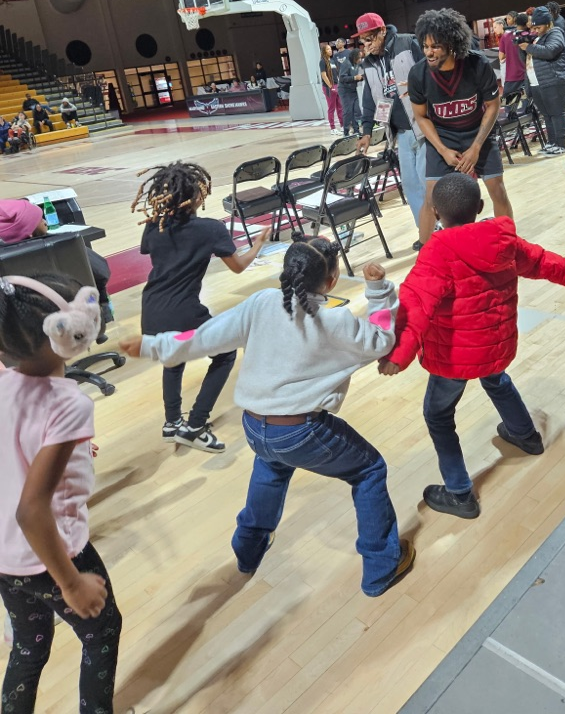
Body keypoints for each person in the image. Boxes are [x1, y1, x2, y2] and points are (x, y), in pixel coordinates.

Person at [120, 240, 415, 597]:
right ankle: (382, 566)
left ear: (286, 272)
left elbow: (203, 337)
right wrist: (379, 290)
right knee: (369, 470)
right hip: (300, 432)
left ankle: (247, 552)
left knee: (272, 466)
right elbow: (382, 339)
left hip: (255, 427)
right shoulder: (334, 319)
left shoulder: (260, 303)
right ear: (332, 281)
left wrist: (152, 345)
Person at [378, 173, 565, 518]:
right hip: (495, 343)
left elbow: (415, 306)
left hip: (454, 354)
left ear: (434, 213)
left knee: (438, 414)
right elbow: (540, 262)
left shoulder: (437, 251)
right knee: (495, 377)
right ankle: (525, 435)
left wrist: (397, 356)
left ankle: (460, 492)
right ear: (480, 207)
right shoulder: (501, 236)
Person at [0, 272, 121, 712]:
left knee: (29, 649)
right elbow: (32, 511)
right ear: (71, 334)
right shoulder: (71, 403)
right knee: (103, 632)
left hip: (5, 559)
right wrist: (71, 584)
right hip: (54, 555)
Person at [132, 161, 270, 453]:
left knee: (173, 358)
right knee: (225, 353)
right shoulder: (210, 229)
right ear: (196, 197)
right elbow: (238, 267)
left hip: (151, 310)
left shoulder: (153, 228)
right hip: (184, 313)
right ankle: (195, 425)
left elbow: (158, 252)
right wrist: (257, 244)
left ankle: (172, 423)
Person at [408, 8, 513, 244]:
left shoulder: (477, 65)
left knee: (497, 189)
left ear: (451, 44)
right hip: (443, 138)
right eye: (425, 46)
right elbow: (421, 117)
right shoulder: (418, 74)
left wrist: (476, 147)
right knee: (430, 199)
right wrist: (443, 150)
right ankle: (426, 259)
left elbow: (493, 106)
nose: (429, 52)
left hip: (478, 133)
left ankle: (510, 244)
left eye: (435, 46)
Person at [356, 12, 426, 249]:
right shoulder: (368, 63)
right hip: (401, 133)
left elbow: (431, 75)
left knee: (429, 183)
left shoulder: (408, 44)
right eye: (363, 42)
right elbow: (369, 100)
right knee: (410, 185)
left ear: (383, 31)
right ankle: (426, 232)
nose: (366, 46)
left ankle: (444, 229)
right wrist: (366, 131)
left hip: (425, 126)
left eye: (370, 39)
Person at [0, 199, 113, 330]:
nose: (45, 221)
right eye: (40, 218)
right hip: (75, 326)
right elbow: (102, 272)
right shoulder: (66, 245)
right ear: (29, 230)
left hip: (18, 334)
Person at [521, 5, 565, 157]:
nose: (536, 30)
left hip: (553, 80)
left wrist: (529, 47)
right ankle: (552, 142)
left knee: (556, 113)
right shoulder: (537, 37)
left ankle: (560, 144)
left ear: (548, 24)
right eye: (534, 27)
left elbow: (550, 51)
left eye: (539, 27)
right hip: (537, 82)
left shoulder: (555, 32)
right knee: (547, 115)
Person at [495, 13, 525, 96]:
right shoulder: (526, 34)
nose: (507, 21)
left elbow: (501, 56)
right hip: (525, 73)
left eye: (509, 19)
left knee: (509, 104)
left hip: (512, 75)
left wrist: (509, 53)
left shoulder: (505, 36)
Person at [338, 46, 364, 136]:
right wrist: (354, 77)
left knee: (356, 110)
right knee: (348, 111)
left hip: (353, 90)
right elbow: (342, 78)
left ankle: (356, 130)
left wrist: (361, 78)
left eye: (361, 57)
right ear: (354, 56)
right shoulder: (346, 63)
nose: (360, 59)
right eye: (359, 57)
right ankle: (346, 132)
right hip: (345, 91)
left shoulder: (356, 64)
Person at [319, 42, 344, 136]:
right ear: (324, 52)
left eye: (330, 49)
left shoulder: (333, 60)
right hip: (328, 87)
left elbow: (336, 73)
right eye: (328, 49)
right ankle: (332, 128)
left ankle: (342, 126)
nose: (331, 50)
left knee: (340, 107)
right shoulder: (322, 61)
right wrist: (330, 86)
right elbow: (323, 75)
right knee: (331, 108)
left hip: (337, 85)